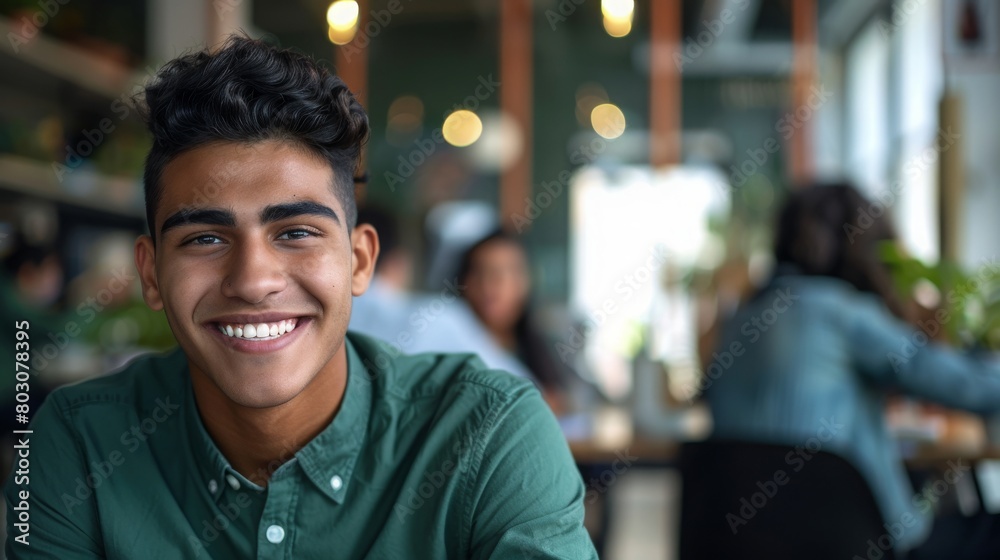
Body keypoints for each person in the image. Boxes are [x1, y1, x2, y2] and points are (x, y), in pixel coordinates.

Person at [3, 37, 596, 559]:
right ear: (151, 274)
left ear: (359, 261)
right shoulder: (74, 443)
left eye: (296, 233)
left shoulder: (490, 433)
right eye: (205, 238)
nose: (253, 280)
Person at [704, 182, 1000, 557]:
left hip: (741, 543)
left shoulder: (739, 320)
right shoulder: (840, 313)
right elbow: (968, 386)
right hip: (852, 542)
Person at [349, 206, 533, 379]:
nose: (492, 285)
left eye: (509, 272)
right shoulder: (438, 320)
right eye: (480, 272)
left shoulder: (532, 348)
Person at [456, 231, 571, 414]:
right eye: (479, 272)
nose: (490, 285)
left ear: (526, 282)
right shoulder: (452, 344)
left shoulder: (542, 347)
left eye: (503, 273)